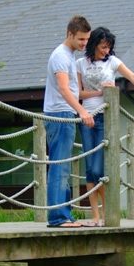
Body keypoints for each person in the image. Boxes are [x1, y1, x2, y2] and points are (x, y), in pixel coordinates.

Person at [77, 27, 134, 225]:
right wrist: (101, 91)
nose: (106, 51)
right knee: (89, 168)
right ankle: (95, 216)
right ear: (94, 44)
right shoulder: (80, 63)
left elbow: (132, 77)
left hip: (105, 117)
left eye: (109, 47)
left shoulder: (113, 62)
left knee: (99, 169)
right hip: (87, 116)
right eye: (103, 46)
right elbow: (78, 94)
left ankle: (108, 213)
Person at [43, 15, 94, 228]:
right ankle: (58, 217)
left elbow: (73, 88)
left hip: (65, 114)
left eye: (86, 40)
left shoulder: (69, 55)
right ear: (70, 34)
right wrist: (82, 111)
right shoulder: (61, 56)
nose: (84, 44)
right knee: (60, 166)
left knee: (63, 165)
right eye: (81, 39)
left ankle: (65, 214)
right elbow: (64, 88)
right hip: (61, 115)